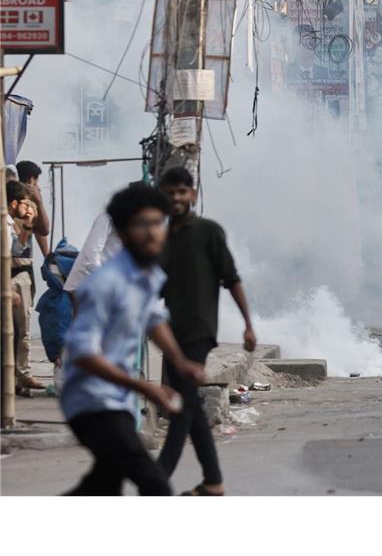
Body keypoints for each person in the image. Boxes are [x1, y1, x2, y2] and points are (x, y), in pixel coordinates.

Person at [60, 184, 206, 496]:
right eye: (142, 225)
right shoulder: (104, 284)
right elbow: (83, 353)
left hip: (118, 399)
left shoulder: (149, 275)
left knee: (102, 486)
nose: (152, 233)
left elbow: (154, 319)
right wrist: (144, 387)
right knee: (156, 486)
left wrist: (181, 363)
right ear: (123, 233)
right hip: (91, 402)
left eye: (157, 223)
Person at [157, 167, 257, 496]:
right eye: (170, 192)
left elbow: (232, 279)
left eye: (182, 192)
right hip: (172, 333)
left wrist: (248, 325)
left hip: (199, 330)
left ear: (193, 194)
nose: (176, 198)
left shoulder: (208, 232)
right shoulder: (161, 238)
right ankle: (213, 481)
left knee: (180, 407)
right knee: (191, 407)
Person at [6, 181, 43, 393]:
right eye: (25, 203)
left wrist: (28, 224)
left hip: (20, 275)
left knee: (21, 329)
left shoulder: (14, 221)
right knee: (13, 331)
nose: (29, 207)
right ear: (14, 203)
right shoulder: (6, 222)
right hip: (10, 276)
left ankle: (21, 374)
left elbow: (18, 247)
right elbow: (12, 252)